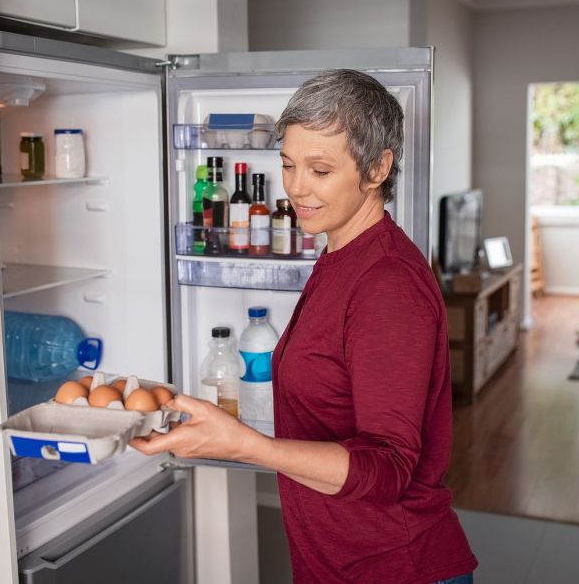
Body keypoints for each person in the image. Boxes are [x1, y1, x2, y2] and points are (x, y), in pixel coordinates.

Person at [130, 69, 478, 584]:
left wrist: (246, 445)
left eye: (320, 169)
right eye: (288, 165)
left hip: (395, 566)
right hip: (338, 560)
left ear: (378, 168)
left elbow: (389, 467)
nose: (295, 187)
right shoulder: (340, 254)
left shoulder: (387, 285)